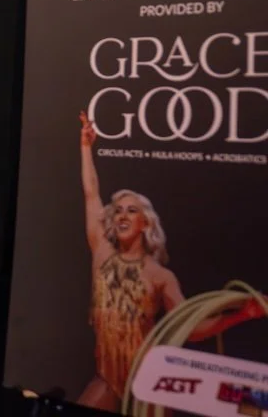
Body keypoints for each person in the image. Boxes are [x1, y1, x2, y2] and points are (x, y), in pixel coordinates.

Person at [76, 111, 263, 411]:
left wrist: (241, 314)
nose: (122, 215)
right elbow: (91, 194)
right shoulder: (101, 252)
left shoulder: (159, 275)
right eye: (119, 210)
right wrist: (86, 148)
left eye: (132, 211)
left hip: (146, 373)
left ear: (145, 224)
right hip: (107, 374)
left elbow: (191, 327)